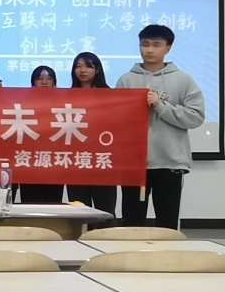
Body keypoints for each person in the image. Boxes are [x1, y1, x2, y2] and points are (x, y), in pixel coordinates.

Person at [116, 26, 205, 230]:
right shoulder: (126, 80)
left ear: (168, 48)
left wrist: (160, 105)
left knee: (167, 222)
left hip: (169, 162)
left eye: (156, 45)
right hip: (134, 164)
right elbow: (116, 120)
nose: (149, 50)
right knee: (131, 223)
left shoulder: (183, 80)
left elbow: (195, 117)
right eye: (145, 44)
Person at [65, 52, 118, 217]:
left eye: (88, 66)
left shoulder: (111, 96)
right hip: (76, 162)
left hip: (103, 161)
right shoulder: (66, 97)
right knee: (78, 212)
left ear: (98, 70)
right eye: (78, 66)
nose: (82, 70)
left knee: (105, 210)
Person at [20, 65, 64, 203]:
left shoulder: (64, 105)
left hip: (55, 162)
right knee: (29, 203)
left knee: (53, 203)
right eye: (40, 79)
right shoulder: (22, 105)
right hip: (28, 162)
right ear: (33, 84)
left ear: (55, 83)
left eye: (49, 79)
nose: (44, 82)